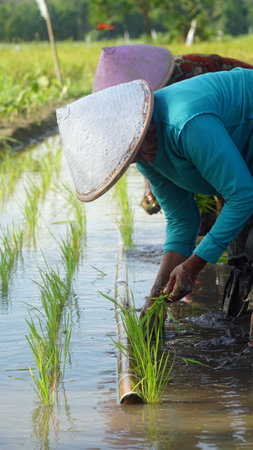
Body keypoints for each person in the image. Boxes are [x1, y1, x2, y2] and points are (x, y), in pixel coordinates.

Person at [57, 68, 253, 330]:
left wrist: (193, 265)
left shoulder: (187, 124)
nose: (133, 160)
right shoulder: (143, 154)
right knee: (242, 266)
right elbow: (182, 219)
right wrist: (155, 296)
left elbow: (242, 194)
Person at [92, 45, 253, 216]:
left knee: (232, 197)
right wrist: (152, 187)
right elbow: (146, 149)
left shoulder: (183, 88)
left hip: (236, 120)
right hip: (211, 134)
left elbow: (228, 178)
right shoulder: (149, 118)